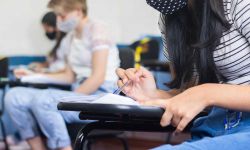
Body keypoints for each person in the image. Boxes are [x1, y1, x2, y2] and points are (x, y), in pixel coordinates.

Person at [116, 0, 250, 149]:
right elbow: (192, 94)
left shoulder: (239, 3)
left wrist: (207, 93)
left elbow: (203, 94)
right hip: (213, 128)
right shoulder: (171, 17)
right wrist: (153, 95)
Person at [5, 0, 120, 150]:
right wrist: (33, 76)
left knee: (44, 100)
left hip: (102, 94)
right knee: (14, 96)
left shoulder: (97, 29)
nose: (58, 21)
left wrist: (68, 99)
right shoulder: (70, 38)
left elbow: (97, 78)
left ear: (78, 11)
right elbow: (69, 76)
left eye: (62, 16)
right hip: (80, 90)